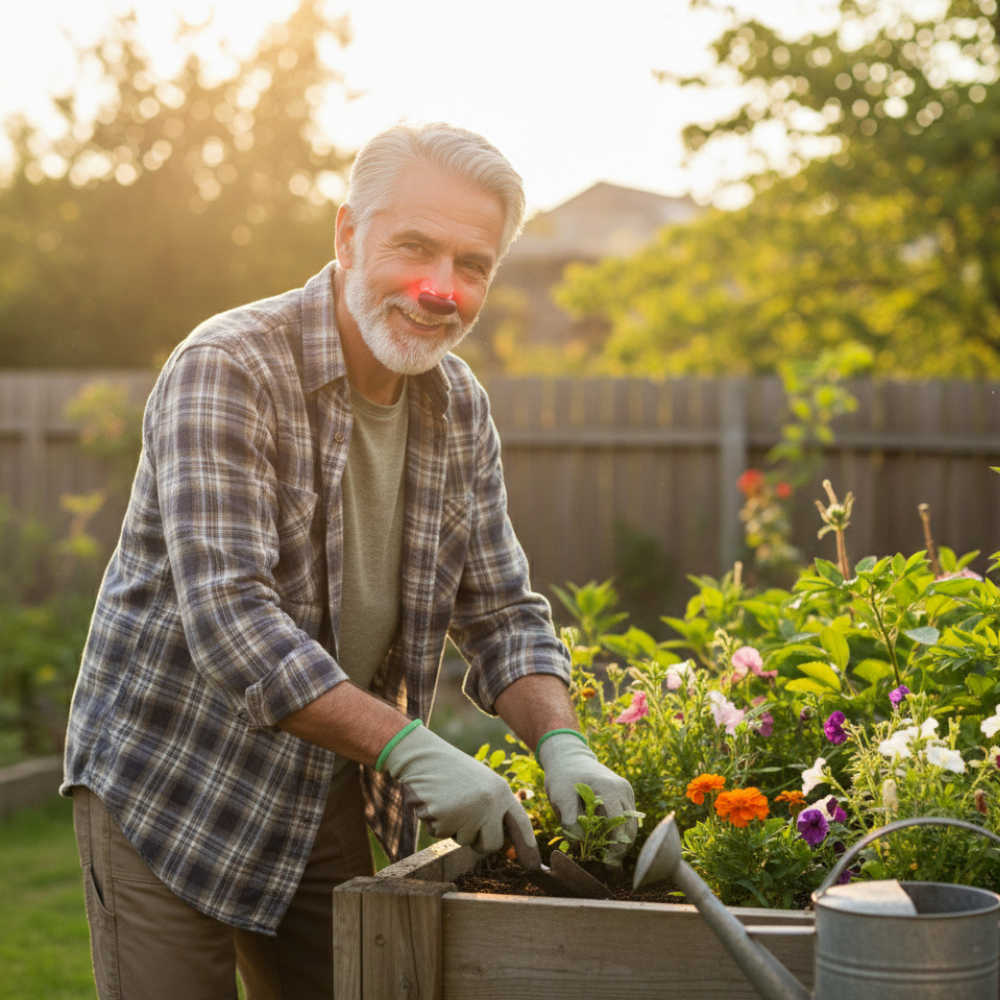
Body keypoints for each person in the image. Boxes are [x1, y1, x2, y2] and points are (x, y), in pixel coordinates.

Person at [61, 121, 636, 1000]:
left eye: (472, 265)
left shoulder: (457, 407)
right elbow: (232, 622)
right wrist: (411, 747)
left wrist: (563, 743)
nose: (439, 289)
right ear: (346, 235)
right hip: (168, 777)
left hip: (315, 775)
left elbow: (503, 612)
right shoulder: (228, 367)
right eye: (415, 247)